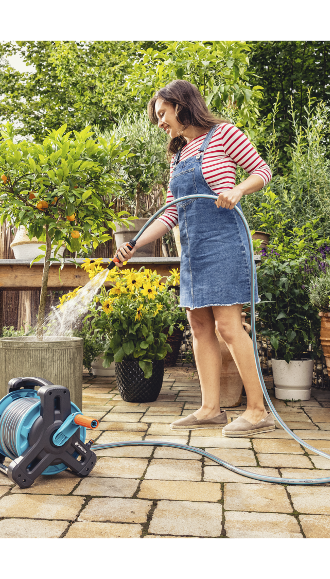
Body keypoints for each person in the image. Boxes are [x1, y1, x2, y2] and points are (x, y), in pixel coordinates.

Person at [114, 79, 274, 437]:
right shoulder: (178, 155)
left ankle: (258, 411)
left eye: (162, 114)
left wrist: (236, 190)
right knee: (200, 328)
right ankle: (210, 409)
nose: (159, 123)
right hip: (193, 250)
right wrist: (136, 244)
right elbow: (172, 212)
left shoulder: (225, 133)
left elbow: (262, 171)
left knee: (229, 327)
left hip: (224, 243)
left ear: (181, 105)